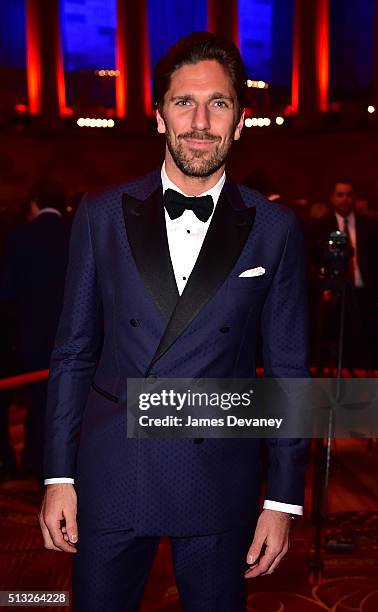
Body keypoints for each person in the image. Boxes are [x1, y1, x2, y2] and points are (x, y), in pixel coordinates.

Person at [39, 32, 309, 611]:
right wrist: (57, 475)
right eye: (184, 102)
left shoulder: (275, 227)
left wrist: (282, 501)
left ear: (240, 122)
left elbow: (289, 372)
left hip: (218, 476)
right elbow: (73, 354)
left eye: (219, 104)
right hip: (111, 475)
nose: (201, 121)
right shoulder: (100, 214)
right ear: (158, 115)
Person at [0, 180, 70, 480]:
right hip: (72, 332)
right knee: (66, 402)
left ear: (35, 203)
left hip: (31, 334)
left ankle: (36, 463)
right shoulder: (75, 233)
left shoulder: (21, 236)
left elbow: (8, 293)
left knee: (39, 401)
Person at [312, 179, 378, 370]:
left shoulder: (370, 226)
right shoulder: (321, 226)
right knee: (333, 340)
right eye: (340, 194)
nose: (345, 199)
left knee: (364, 342)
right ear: (332, 198)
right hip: (333, 294)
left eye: (349, 194)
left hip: (363, 292)